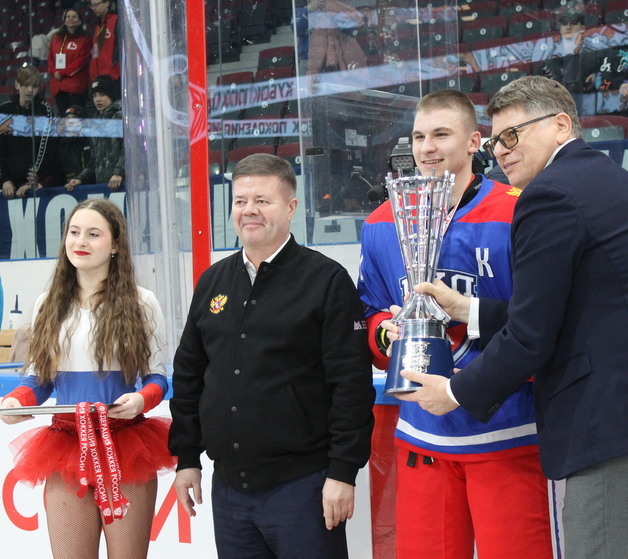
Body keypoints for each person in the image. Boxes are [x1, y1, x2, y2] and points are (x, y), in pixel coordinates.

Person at [398, 76, 628, 559]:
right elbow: (573, 309)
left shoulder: (549, 195)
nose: (502, 151)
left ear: (562, 125)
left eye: (513, 135)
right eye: (496, 141)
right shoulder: (601, 178)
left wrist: (455, 392)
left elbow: (531, 335)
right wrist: (470, 310)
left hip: (615, 425)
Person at [357, 89, 553, 559]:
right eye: (419, 136)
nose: (427, 147)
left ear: (473, 142)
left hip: (507, 432)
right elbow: (370, 312)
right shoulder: (382, 222)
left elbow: (539, 321)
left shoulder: (518, 210)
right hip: (423, 437)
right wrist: (389, 336)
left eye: (441, 134)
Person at [168, 153, 375, 559]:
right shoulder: (213, 282)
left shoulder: (326, 280)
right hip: (229, 491)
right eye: (240, 201)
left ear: (291, 207)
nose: (249, 210)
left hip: (303, 487)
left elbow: (351, 385)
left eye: (262, 200)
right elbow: (189, 373)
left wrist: (343, 472)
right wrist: (187, 457)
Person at [0, 198, 175, 558]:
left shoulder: (142, 302)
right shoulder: (48, 303)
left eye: (94, 234)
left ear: (115, 245)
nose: (80, 241)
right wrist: (16, 401)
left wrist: (141, 399)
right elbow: (39, 379)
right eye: (74, 232)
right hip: (66, 445)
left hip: (124, 444)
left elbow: (157, 378)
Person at [0, 65, 61, 198]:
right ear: (17, 85)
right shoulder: (5, 110)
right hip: (8, 184)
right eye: (26, 85)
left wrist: (33, 180)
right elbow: (1, 148)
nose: (30, 90)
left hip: (34, 183)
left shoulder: (45, 111)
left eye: (34, 86)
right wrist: (4, 179)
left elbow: (46, 149)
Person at [65, 75, 124, 191]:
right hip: (103, 185)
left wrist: (119, 173)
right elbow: (94, 160)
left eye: (102, 94)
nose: (98, 99)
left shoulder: (120, 116)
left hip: (121, 183)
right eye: (94, 96)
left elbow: (128, 149)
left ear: (110, 95)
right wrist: (81, 178)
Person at [48, 7, 92, 114]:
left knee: (76, 118)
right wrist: (53, 72)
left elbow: (82, 61)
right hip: (58, 87)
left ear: (80, 21)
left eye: (74, 17)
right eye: (68, 17)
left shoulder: (85, 39)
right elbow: (50, 57)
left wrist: (62, 72)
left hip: (76, 87)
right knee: (63, 118)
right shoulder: (56, 39)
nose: (71, 19)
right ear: (64, 20)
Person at [89, 0, 120, 86]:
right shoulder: (98, 26)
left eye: (96, 5)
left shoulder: (116, 20)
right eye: (92, 6)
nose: (94, 8)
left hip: (113, 75)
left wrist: (115, 68)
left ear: (106, 3)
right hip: (98, 76)